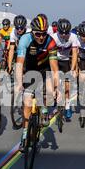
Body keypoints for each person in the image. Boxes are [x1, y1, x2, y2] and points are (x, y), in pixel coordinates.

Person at [15, 15, 59, 151]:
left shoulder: (51, 42)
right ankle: (24, 137)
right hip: (31, 70)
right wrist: (18, 83)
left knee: (50, 91)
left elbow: (54, 67)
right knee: (27, 103)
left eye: (44, 34)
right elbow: (19, 64)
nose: (41, 37)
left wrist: (57, 87)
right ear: (32, 32)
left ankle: (44, 110)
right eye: (38, 34)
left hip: (45, 70)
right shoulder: (25, 39)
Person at [52, 18, 79, 120]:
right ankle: (56, 103)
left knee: (67, 86)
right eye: (62, 33)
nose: (64, 35)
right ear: (58, 31)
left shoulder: (73, 37)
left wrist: (73, 69)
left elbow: (75, 54)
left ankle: (67, 106)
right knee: (55, 83)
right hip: (55, 59)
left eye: (66, 33)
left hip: (66, 61)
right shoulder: (54, 37)